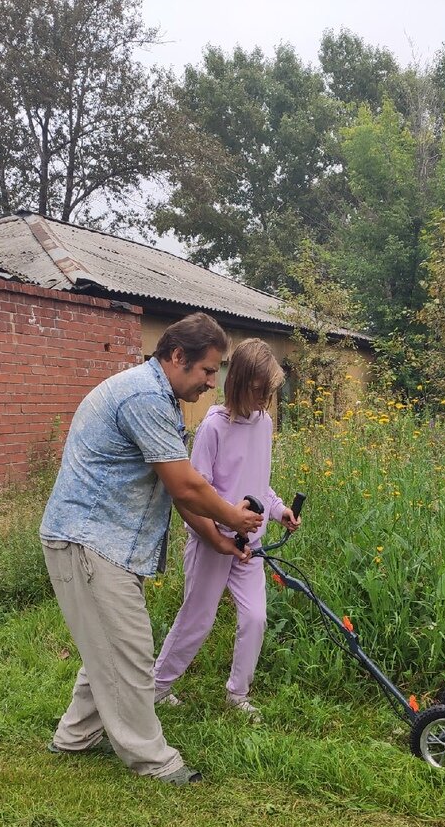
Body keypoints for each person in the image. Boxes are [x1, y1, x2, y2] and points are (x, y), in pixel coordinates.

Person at [40, 312, 263, 787]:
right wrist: (233, 517)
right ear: (177, 356)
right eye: (207, 370)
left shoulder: (155, 396)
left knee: (109, 647)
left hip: (107, 543)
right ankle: (154, 759)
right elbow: (185, 486)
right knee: (131, 652)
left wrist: (219, 538)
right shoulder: (144, 396)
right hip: (90, 541)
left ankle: (74, 738)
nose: (211, 383)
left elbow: (176, 494)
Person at [153, 338, 300, 718]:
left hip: (250, 546)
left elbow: (259, 482)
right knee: (196, 620)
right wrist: (218, 533)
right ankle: (156, 688)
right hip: (212, 542)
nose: (264, 400)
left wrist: (279, 509)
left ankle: (238, 694)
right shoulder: (214, 428)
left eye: (269, 392)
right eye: (257, 390)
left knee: (255, 617)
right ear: (238, 382)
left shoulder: (264, 423)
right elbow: (195, 490)